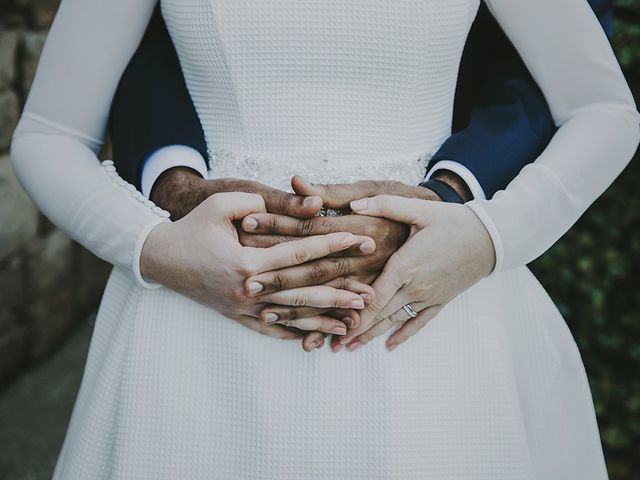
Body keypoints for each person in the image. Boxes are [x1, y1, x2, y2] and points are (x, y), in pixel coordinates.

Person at [10, 0, 639, 478]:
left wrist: (486, 238)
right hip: (194, 323)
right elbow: (48, 132)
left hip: (433, 308)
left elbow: (602, 109)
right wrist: (154, 247)